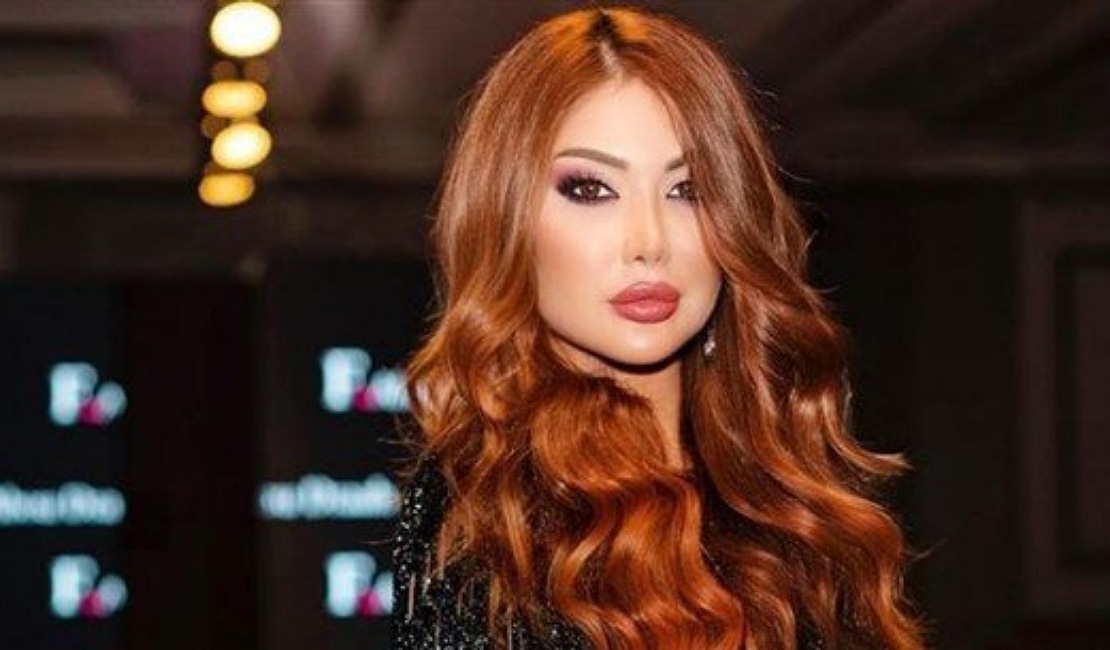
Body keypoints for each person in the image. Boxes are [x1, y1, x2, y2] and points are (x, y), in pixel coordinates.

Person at [393, 6, 923, 649]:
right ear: (505, 219)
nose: (648, 242)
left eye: (688, 190)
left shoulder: (794, 504)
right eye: (590, 190)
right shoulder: (489, 521)